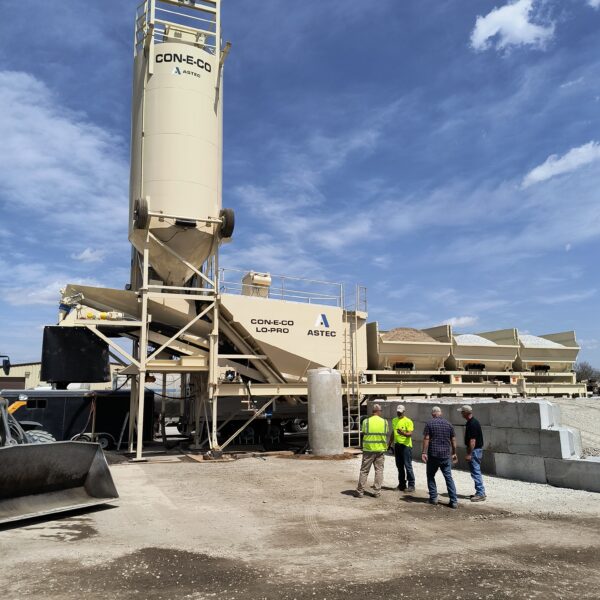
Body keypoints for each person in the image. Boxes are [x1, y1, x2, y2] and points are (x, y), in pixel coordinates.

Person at [421, 406, 458, 508]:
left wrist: (424, 452)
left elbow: (426, 438)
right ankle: (454, 501)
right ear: (440, 413)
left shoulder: (429, 423)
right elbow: (453, 440)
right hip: (445, 455)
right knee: (448, 477)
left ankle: (433, 498)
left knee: (430, 476)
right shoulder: (449, 424)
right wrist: (454, 453)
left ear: (433, 414)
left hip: (433, 455)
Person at [355, 404, 389, 498]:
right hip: (380, 450)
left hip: (368, 449)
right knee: (379, 471)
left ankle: (360, 491)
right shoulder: (384, 422)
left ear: (373, 411)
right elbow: (385, 432)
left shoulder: (366, 421)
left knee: (364, 471)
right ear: (379, 411)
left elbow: (364, 432)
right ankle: (376, 492)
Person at [459, 404, 486, 502]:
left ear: (466, 413)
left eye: (462, 412)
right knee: (475, 471)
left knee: (475, 471)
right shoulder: (472, 422)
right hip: (475, 450)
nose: (461, 414)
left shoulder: (472, 424)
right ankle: (479, 492)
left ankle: (480, 493)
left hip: (475, 451)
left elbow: (472, 441)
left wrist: (469, 454)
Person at [389, 404, 415, 492]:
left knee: (408, 465)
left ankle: (411, 485)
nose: (399, 414)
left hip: (406, 446)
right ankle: (402, 484)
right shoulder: (394, 420)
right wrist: (389, 443)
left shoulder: (408, 421)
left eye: (400, 412)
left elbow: (410, 434)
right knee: (399, 466)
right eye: (398, 412)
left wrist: (402, 433)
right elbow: (393, 432)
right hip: (397, 445)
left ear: (404, 412)